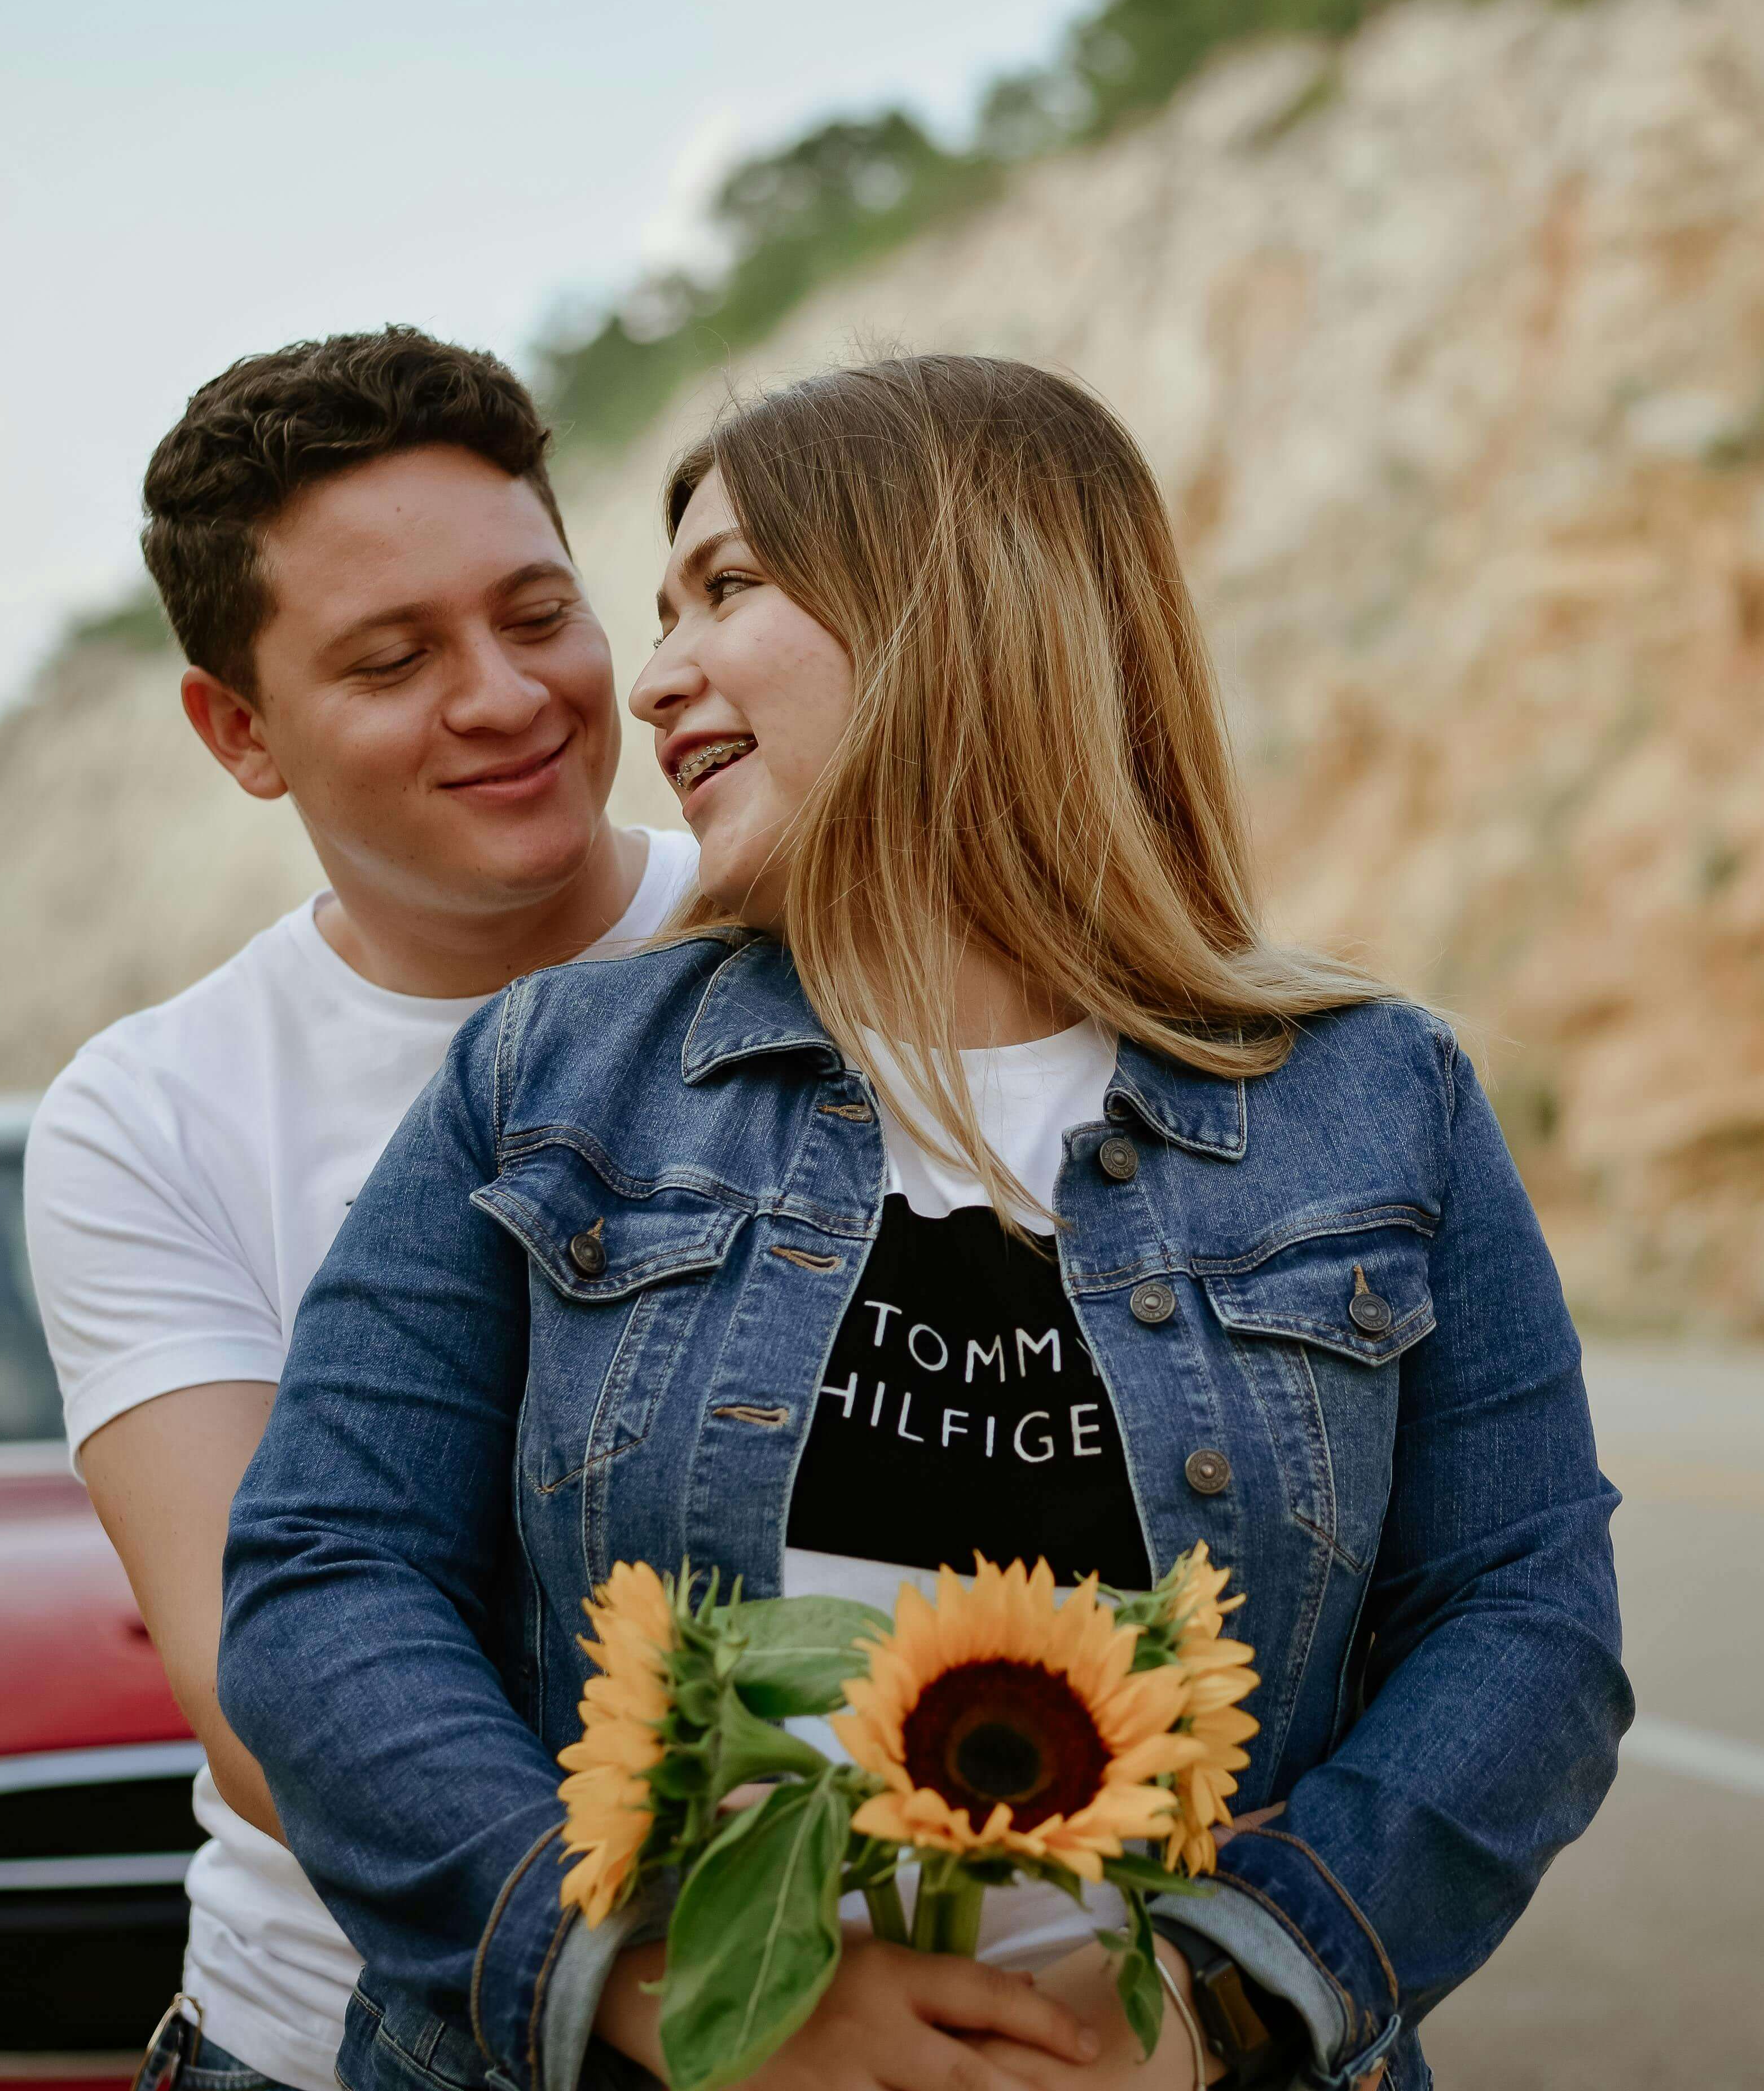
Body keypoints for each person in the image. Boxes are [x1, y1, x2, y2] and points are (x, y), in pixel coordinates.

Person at [221, 355, 1629, 2091]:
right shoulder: (549, 1079)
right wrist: (681, 1991)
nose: (652, 680)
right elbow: (324, 1579)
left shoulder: (1374, 1097)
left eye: (726, 587)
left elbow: (1526, 1623)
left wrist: (1222, 2005)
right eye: (658, 611)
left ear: (949, 604)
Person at [23, 327, 702, 2091]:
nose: (505, 696)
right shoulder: (150, 1118)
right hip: (339, 2043)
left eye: (539, 613)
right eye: (393, 660)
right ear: (240, 733)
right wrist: (671, 1982)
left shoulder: (821, 932)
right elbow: (273, 1698)